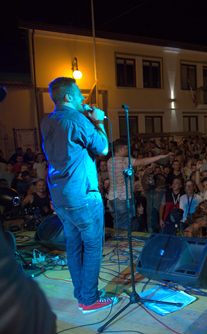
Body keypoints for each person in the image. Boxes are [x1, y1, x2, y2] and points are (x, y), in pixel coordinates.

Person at [41, 77, 117, 313]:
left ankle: (82, 294)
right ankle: (90, 299)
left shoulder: (47, 121)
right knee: (93, 245)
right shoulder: (77, 119)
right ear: (68, 97)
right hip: (82, 195)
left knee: (73, 246)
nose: (84, 98)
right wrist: (98, 122)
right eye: (79, 94)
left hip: (61, 196)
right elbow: (103, 148)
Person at [108, 139, 171, 230]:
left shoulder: (110, 161)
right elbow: (143, 161)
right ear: (121, 149)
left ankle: (118, 243)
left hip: (112, 198)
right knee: (124, 227)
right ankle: (124, 243)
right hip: (122, 199)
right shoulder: (124, 160)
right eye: (126, 148)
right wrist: (160, 156)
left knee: (117, 224)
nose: (128, 150)